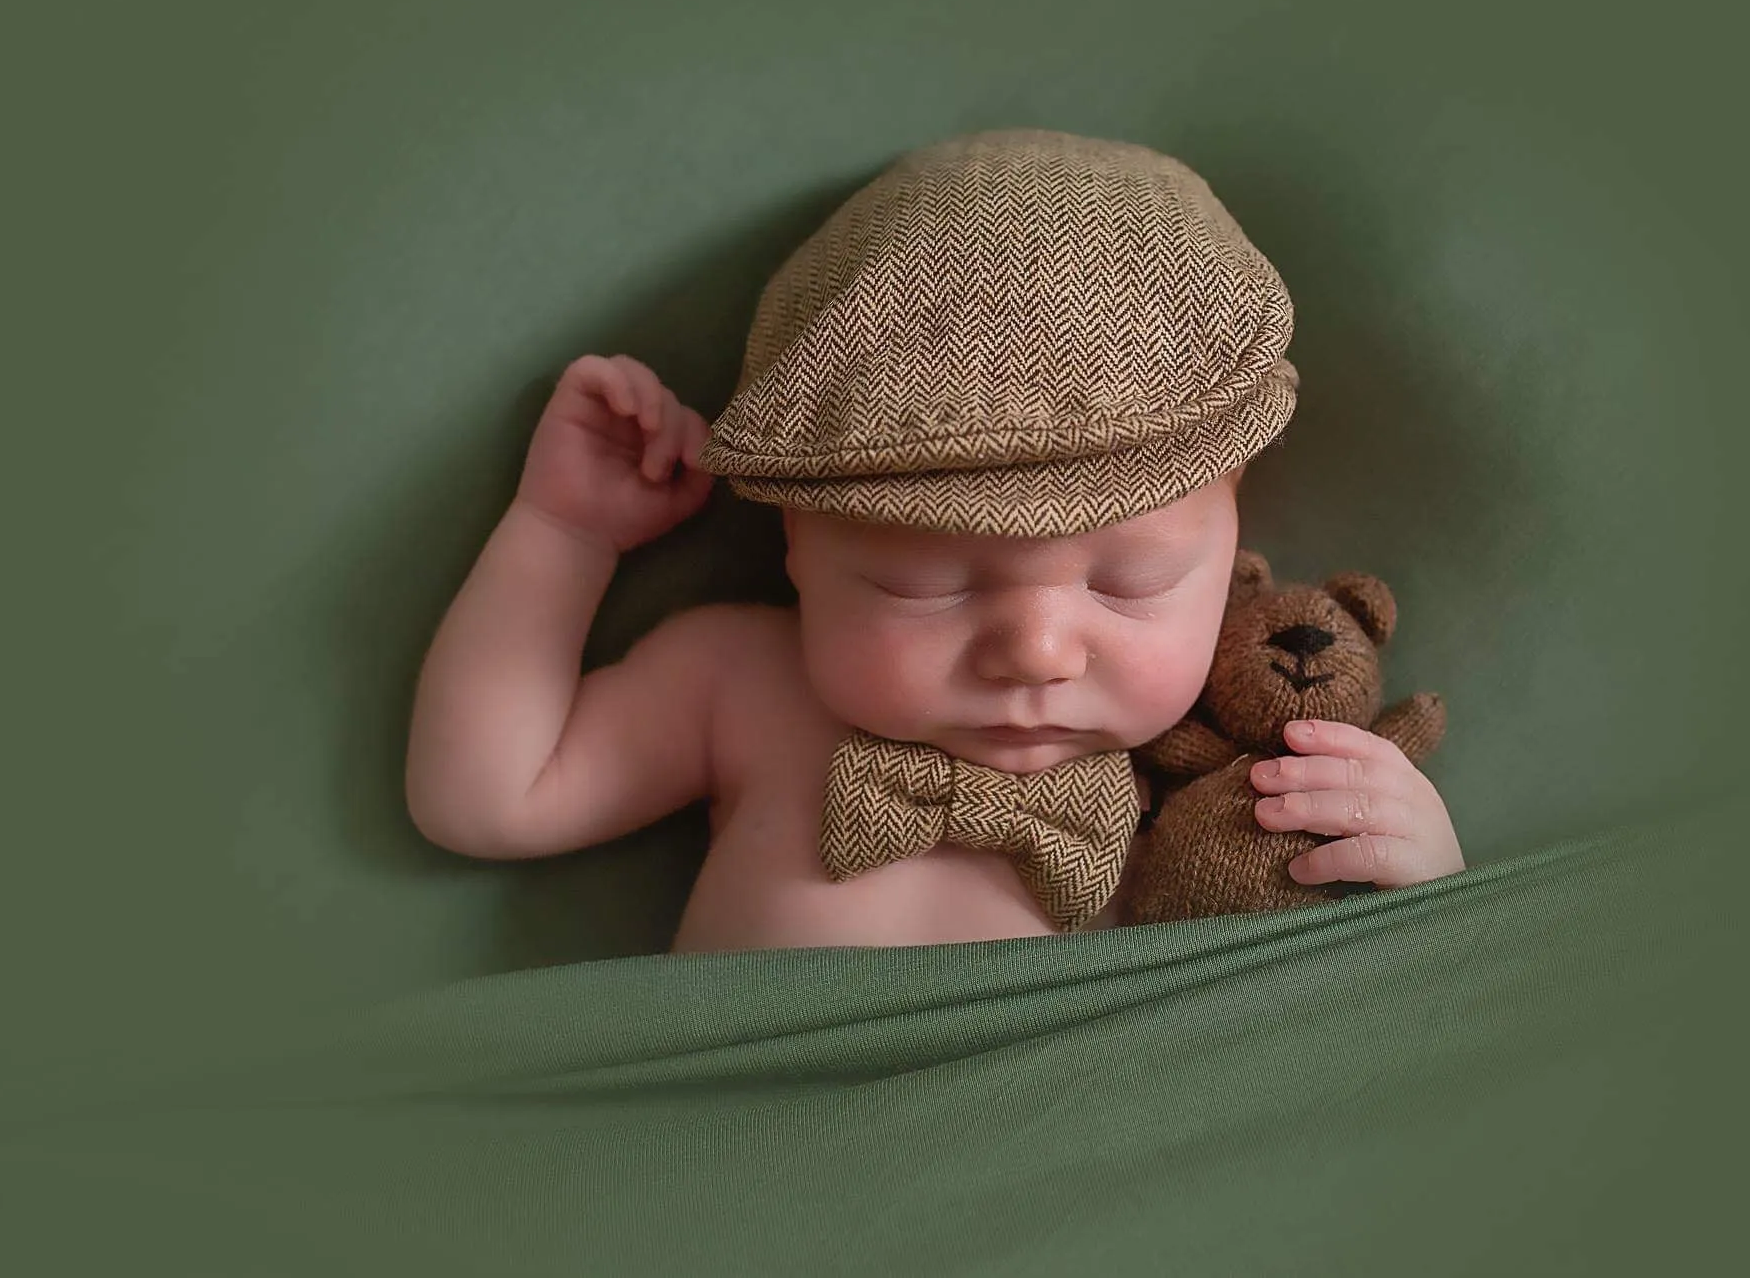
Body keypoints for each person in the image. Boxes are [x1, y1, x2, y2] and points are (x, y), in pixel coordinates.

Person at [405, 131, 1463, 952]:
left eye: (1130, 581)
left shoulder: (1223, 762)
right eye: (927, 586)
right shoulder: (736, 679)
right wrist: (565, 532)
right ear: (794, 542)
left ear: (1233, 518)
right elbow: (484, 799)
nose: (1037, 651)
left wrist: (1416, 869)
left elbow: (1327, 1020)